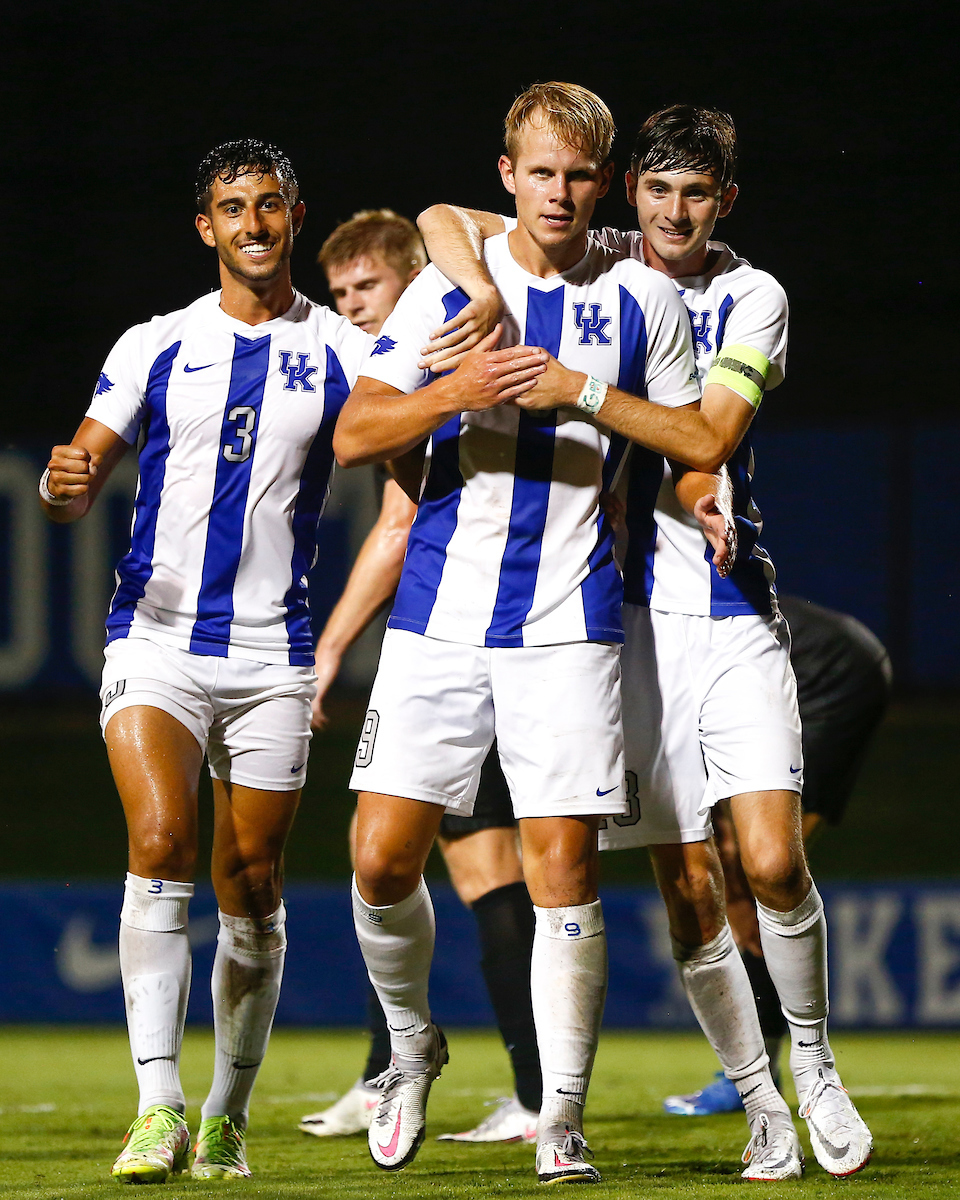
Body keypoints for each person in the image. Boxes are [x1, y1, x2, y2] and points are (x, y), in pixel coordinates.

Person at [416, 102, 874, 1179]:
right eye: (658, 189)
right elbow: (438, 216)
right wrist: (481, 289)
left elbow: (709, 432)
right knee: (688, 888)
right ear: (631, 192)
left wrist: (584, 393)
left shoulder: (753, 296)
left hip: (731, 610)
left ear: (726, 201)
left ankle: (814, 1065)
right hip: (621, 628)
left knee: (772, 859)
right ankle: (763, 1105)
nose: (675, 212)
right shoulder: (607, 252)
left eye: (697, 193)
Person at [332, 82, 705, 1183]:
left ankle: (563, 1118)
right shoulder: (454, 285)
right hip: (439, 616)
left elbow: (693, 437)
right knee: (378, 861)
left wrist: (581, 393)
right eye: (541, 171)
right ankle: (411, 1046)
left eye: (580, 175)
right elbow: (356, 431)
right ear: (509, 176)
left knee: (563, 872)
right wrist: (455, 389)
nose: (560, 192)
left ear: (606, 184)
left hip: (569, 619)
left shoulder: (643, 299)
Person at [40, 140, 372, 1184]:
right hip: (157, 639)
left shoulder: (344, 350)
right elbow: (79, 466)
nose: (254, 224)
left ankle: (227, 1113)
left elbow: (403, 439)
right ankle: (158, 1108)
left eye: (270, 205)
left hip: (275, 654)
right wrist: (62, 486)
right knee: (158, 838)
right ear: (205, 227)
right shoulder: (156, 344)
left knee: (252, 881)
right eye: (234, 208)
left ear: (296, 216)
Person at [298, 210, 540, 1144]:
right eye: (341, 292)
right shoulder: (404, 379)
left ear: (414, 279)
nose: (353, 304)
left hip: (479, 638)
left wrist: (328, 647)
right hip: (466, 637)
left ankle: (527, 1093)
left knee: (477, 866)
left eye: (367, 286)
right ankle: (417, 1074)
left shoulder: (444, 361)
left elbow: (399, 528)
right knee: (418, 856)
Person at [664, 594, 892, 1114]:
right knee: (756, 873)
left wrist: (734, 898)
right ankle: (765, 1066)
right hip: (838, 661)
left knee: (762, 872)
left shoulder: (646, 628)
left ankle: (760, 1071)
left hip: (829, 674)